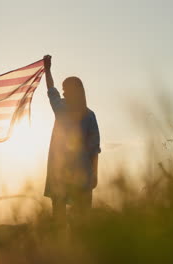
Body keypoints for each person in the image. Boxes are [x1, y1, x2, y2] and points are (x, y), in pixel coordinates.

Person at [43, 55, 101, 226]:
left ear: (75, 91)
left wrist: (47, 69)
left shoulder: (65, 110)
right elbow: (94, 150)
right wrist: (47, 70)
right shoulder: (84, 114)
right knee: (78, 217)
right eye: (63, 89)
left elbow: (94, 149)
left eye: (66, 89)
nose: (63, 92)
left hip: (68, 172)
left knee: (68, 217)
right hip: (73, 172)